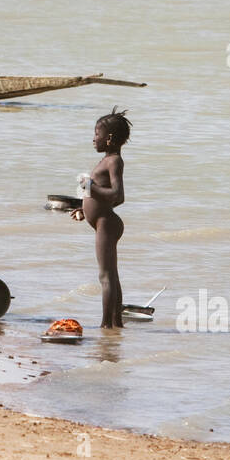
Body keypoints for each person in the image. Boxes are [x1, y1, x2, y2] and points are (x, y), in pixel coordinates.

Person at [70, 108, 131, 328]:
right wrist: (83, 209)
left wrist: (90, 187)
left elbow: (118, 196)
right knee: (111, 276)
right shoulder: (106, 161)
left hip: (107, 222)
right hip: (102, 220)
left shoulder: (114, 161)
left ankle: (107, 326)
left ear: (110, 138)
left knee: (106, 277)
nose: (93, 138)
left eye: (97, 134)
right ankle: (117, 323)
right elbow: (103, 195)